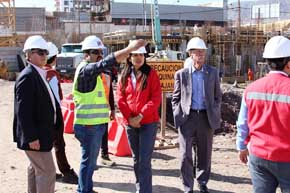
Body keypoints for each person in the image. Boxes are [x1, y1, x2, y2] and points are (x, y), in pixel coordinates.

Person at [72, 35, 146, 193]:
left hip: (95, 125)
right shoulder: (86, 70)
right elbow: (107, 62)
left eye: (100, 52)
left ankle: (86, 188)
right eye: (95, 52)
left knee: (91, 162)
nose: (99, 55)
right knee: (88, 162)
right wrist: (130, 49)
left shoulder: (93, 73)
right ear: (86, 54)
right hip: (88, 126)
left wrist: (110, 110)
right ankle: (83, 191)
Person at [236, 36, 290, 193]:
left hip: (259, 156)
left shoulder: (251, 89)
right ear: (288, 64)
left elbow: (242, 123)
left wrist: (241, 147)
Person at [13, 35, 63, 193]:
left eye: (45, 53)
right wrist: (31, 137)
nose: (44, 56)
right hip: (36, 137)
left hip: (42, 134)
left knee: (35, 169)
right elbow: (23, 111)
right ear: (28, 54)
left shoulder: (37, 74)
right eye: (40, 52)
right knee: (47, 172)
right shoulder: (28, 76)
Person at [172, 37, 222, 193]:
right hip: (187, 119)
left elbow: (217, 96)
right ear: (190, 54)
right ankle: (188, 187)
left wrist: (214, 110)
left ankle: (202, 182)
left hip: (206, 118)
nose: (200, 54)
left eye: (203, 52)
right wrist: (178, 112)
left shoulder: (212, 72)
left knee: (204, 153)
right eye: (197, 52)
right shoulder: (182, 74)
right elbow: (176, 97)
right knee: (185, 155)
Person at [117, 45, 162, 193]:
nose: (138, 58)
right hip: (130, 123)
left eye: (141, 55)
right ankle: (140, 188)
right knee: (136, 159)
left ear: (144, 57)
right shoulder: (124, 75)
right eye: (135, 55)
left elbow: (155, 99)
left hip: (148, 122)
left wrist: (141, 115)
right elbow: (120, 98)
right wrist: (130, 118)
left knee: (144, 160)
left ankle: (144, 190)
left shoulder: (151, 74)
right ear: (130, 57)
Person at [43, 42, 78, 184]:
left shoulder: (39, 72)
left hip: (43, 115)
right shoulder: (51, 74)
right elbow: (55, 98)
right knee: (59, 144)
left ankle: (48, 170)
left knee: (46, 145)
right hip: (53, 114)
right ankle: (65, 171)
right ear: (54, 58)